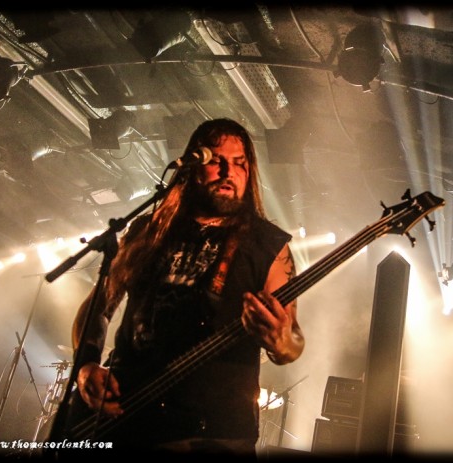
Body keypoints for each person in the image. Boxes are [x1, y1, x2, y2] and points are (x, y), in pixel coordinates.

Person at [62, 118, 304, 455]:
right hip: (125, 414)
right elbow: (98, 307)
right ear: (191, 167)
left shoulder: (268, 245)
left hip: (210, 432)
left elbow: (293, 340)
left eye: (239, 164)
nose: (228, 172)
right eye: (216, 160)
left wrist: (280, 341)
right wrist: (86, 365)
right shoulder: (147, 230)